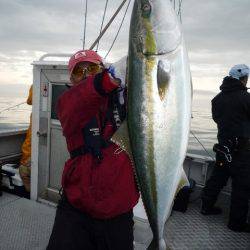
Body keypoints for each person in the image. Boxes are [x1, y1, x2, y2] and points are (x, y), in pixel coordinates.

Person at [47, 50, 139, 250]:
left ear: (102, 69)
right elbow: (74, 105)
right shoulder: (67, 104)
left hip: (118, 212)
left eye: (93, 68)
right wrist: (107, 80)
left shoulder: (126, 100)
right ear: (71, 79)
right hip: (76, 209)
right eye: (80, 71)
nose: (87, 74)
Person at [201, 64, 250, 233]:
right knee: (242, 187)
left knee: (218, 178)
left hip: (222, 148)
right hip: (241, 152)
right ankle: (236, 224)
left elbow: (217, 119)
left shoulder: (217, 99)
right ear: (244, 78)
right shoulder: (246, 98)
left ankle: (206, 207)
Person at [19, 85, 33, 193]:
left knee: (30, 141)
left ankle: (25, 167)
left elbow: (29, 101)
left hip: (37, 117)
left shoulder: (35, 85)